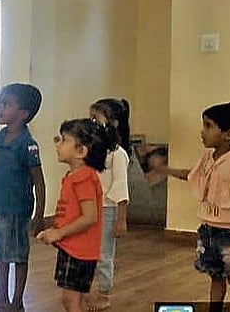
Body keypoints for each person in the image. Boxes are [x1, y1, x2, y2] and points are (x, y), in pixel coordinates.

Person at [155, 102, 230, 312]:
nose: (202, 132)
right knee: (215, 277)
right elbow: (192, 175)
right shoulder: (207, 159)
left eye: (208, 126)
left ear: (228, 134)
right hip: (208, 229)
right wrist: (167, 170)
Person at [0, 83, 47, 312]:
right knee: (0, 251)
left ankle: (17, 301)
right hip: (1, 207)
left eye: (6, 104)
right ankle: (1, 296)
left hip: (18, 209)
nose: (0, 107)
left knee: (18, 255)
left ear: (23, 113)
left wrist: (40, 214)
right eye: (0, 102)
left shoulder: (27, 144)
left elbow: (39, 180)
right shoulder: (2, 136)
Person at [36, 118, 112, 312]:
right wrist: (54, 230)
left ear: (81, 151)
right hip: (73, 249)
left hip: (79, 252)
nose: (58, 144)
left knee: (71, 301)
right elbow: (71, 214)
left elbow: (89, 217)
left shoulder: (83, 178)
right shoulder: (76, 176)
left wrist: (59, 233)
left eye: (63, 140)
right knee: (73, 299)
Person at [84, 98, 131, 311]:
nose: (92, 122)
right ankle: (84, 288)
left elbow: (121, 186)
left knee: (104, 253)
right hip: (91, 208)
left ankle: (104, 293)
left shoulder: (118, 154)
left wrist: (121, 218)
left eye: (96, 118)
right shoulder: (94, 150)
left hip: (108, 209)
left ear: (113, 123)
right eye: (90, 118)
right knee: (88, 250)